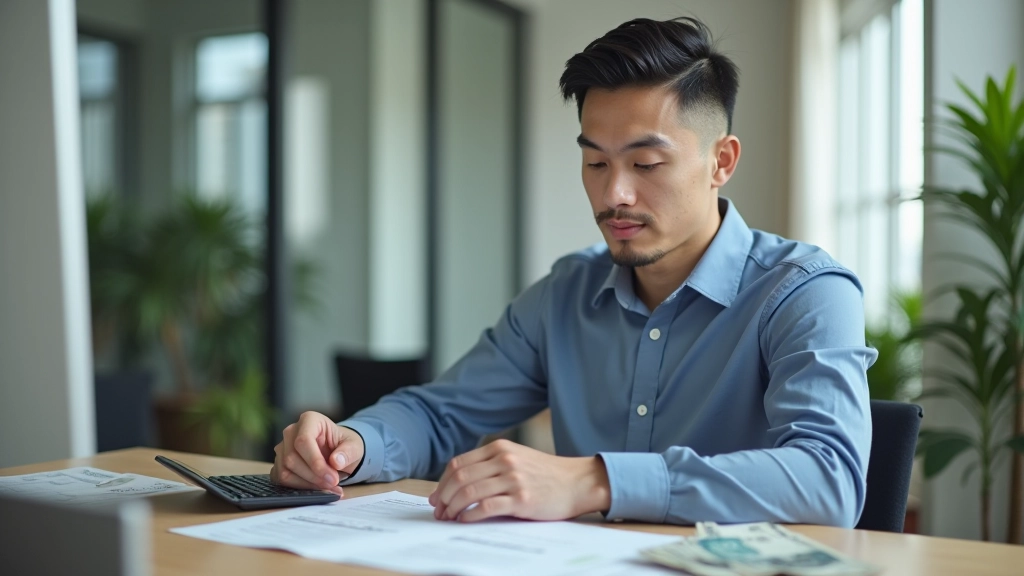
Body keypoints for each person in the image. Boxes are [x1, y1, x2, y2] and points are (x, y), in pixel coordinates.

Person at [270, 16, 876, 527]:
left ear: (721, 161)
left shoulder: (805, 293)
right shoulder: (566, 293)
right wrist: (353, 445)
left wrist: (594, 481)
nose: (615, 194)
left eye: (645, 162)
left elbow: (828, 480)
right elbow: (441, 413)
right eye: (595, 162)